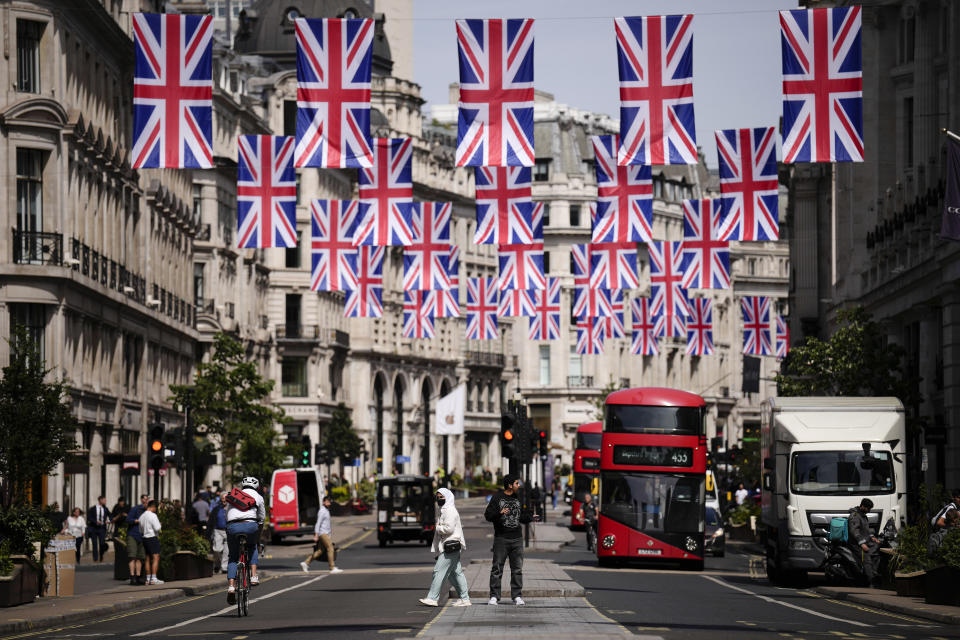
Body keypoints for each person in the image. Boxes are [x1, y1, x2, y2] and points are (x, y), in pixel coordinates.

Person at [483, 474, 535, 606]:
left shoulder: (519, 498)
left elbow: (522, 517)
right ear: (510, 485)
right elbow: (488, 516)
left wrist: (531, 517)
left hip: (517, 538)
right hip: (501, 538)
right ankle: (494, 596)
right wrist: (500, 513)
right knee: (497, 568)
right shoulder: (497, 498)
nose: (519, 486)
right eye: (517, 483)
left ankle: (517, 596)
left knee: (517, 569)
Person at [419, 488, 470, 607]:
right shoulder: (444, 510)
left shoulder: (449, 511)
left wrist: (437, 527)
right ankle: (465, 598)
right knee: (455, 574)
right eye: (437, 497)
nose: (438, 499)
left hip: (450, 546)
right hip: (450, 545)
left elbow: (449, 529)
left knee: (438, 571)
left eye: (441, 497)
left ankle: (432, 598)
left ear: (447, 497)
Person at [224, 476, 266, 604]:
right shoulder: (258, 497)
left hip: (233, 525)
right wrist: (259, 533)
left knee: (233, 556)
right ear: (256, 486)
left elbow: (227, 514)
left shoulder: (234, 493)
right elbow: (262, 517)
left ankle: (231, 586)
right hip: (250, 525)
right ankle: (253, 576)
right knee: (252, 546)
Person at [299, 496, 342, 574]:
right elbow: (318, 524)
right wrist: (316, 535)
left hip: (326, 533)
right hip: (323, 533)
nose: (329, 503)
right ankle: (332, 568)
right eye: (327, 501)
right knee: (330, 548)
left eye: (329, 501)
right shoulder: (322, 511)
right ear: (323, 502)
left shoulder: (326, 510)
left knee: (320, 551)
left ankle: (306, 563)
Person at [848, 498, 881, 588]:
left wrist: (872, 537)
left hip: (866, 541)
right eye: (868, 508)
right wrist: (862, 544)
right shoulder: (855, 516)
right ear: (862, 506)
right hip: (856, 544)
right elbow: (854, 531)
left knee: (877, 552)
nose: (869, 510)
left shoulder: (863, 515)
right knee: (867, 558)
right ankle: (871, 582)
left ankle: (874, 574)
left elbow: (866, 530)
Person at [125, 494, 150, 585]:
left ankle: (138, 577)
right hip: (133, 535)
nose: (146, 501)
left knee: (140, 558)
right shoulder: (135, 509)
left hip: (142, 536)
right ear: (141, 500)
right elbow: (128, 519)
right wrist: (136, 521)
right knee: (132, 556)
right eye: (145, 499)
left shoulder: (148, 511)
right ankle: (132, 577)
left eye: (147, 499)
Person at [139, 500, 164, 585]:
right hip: (152, 537)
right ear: (153, 507)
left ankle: (148, 579)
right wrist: (160, 524)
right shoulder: (153, 515)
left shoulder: (142, 516)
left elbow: (140, 530)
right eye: (156, 508)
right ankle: (154, 579)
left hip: (144, 538)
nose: (156, 510)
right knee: (156, 557)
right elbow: (157, 528)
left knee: (147, 559)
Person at [86, 496, 110, 563]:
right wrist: (95, 521)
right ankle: (95, 558)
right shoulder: (93, 508)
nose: (105, 501)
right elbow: (89, 517)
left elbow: (110, 515)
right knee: (94, 544)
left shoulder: (105, 508)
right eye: (104, 500)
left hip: (102, 528)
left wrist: (108, 520)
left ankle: (101, 556)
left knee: (102, 544)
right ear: (100, 500)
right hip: (94, 528)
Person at [209, 493, 228, 573]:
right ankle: (217, 565)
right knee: (217, 549)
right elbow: (211, 520)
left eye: (226, 499)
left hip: (228, 531)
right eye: (223, 499)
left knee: (227, 551)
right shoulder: (216, 509)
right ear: (221, 499)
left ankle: (224, 568)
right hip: (218, 530)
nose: (224, 501)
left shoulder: (231, 509)